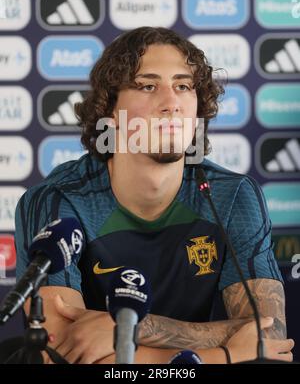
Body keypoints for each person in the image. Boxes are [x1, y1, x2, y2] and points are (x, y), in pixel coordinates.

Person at [15, 27, 294, 364]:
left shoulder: (233, 196)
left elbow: (270, 337)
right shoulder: (56, 200)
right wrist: (223, 354)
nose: (171, 103)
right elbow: (61, 353)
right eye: (148, 86)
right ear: (109, 110)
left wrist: (129, 329)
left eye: (183, 86)